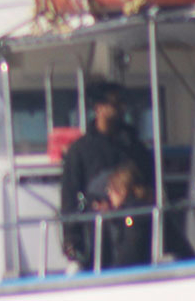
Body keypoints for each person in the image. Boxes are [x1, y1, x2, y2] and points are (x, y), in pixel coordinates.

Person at [60, 82, 154, 268]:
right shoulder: (80, 151)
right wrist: (71, 238)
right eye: (114, 103)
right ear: (99, 108)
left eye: (122, 103)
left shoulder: (135, 148)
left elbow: (148, 187)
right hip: (96, 231)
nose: (120, 108)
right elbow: (69, 198)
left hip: (133, 229)